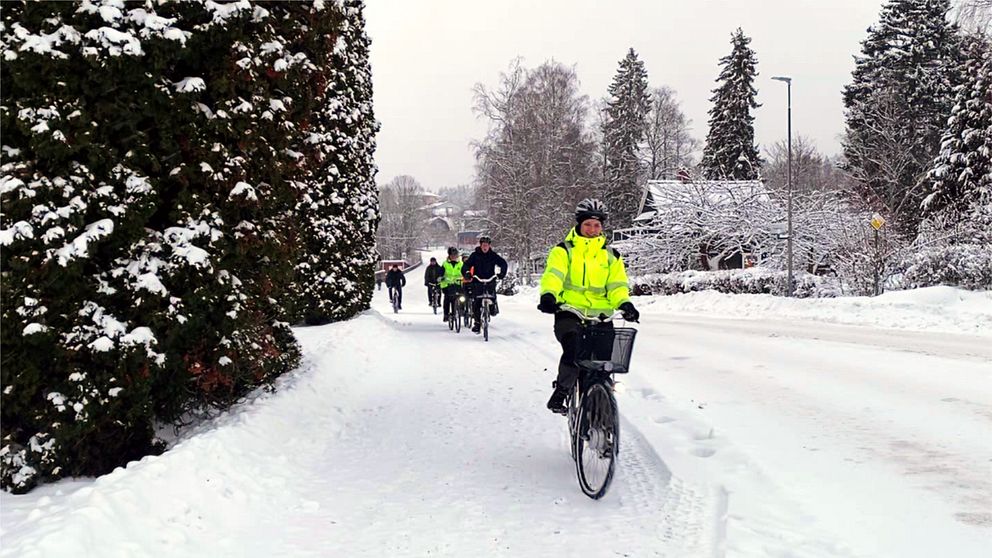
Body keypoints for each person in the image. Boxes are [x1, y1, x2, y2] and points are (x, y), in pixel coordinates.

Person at [538, 198, 640, 414]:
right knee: (574, 349)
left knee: (604, 364)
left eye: (596, 225)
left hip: (601, 315)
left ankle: (599, 411)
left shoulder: (611, 256)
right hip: (569, 312)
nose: (592, 229)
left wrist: (625, 303)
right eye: (587, 224)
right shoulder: (563, 251)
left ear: (602, 227)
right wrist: (549, 296)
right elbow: (553, 276)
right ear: (579, 224)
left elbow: (617, 285)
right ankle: (562, 391)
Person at [462, 235, 507, 333]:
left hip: (490, 280)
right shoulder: (475, 255)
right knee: (476, 302)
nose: (485, 247)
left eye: (487, 245)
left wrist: (501, 274)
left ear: (489, 246)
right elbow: (466, 265)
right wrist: (467, 273)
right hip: (478, 281)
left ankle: (492, 308)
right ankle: (477, 323)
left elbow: (503, 263)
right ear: (481, 245)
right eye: (483, 245)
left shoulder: (493, 255)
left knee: (492, 296)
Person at [439, 247, 464, 322]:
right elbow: (441, 273)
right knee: (447, 298)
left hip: (458, 284)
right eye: (452, 255)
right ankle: (446, 314)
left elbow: (465, 272)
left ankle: (461, 310)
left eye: (455, 255)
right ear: (449, 255)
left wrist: (465, 276)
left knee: (461, 297)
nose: (454, 257)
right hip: (447, 284)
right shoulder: (445, 264)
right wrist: (441, 277)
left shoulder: (461, 264)